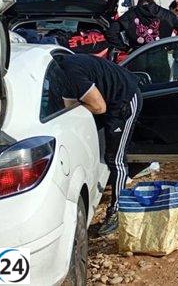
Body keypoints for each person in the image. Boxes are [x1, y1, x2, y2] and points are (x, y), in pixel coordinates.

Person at [51, 54, 143, 236]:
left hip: (124, 100)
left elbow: (99, 107)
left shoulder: (70, 75)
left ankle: (118, 211)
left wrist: (75, 107)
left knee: (116, 159)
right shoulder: (61, 72)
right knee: (111, 154)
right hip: (111, 98)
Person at [106, 0, 178, 81]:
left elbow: (111, 32)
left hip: (137, 57)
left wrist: (126, 48)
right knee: (161, 91)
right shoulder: (165, 14)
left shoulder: (130, 14)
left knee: (141, 92)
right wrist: (171, 45)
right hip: (159, 58)